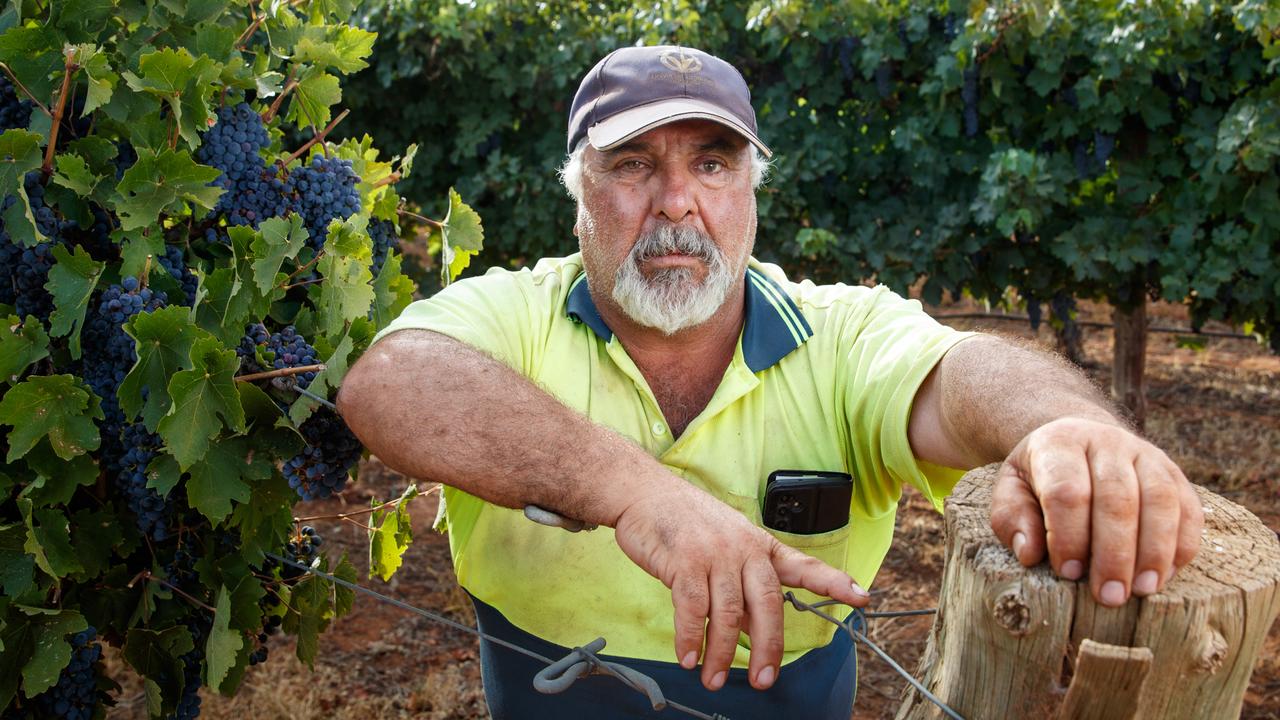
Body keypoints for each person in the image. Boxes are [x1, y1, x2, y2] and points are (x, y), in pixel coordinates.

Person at [337, 45, 1202, 719]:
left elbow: (959, 372)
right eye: (633, 164)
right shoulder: (518, 316)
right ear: (578, 194)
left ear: (753, 189)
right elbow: (394, 381)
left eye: (713, 165)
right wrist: (640, 496)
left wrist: (1062, 427)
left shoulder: (840, 332)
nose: (677, 201)